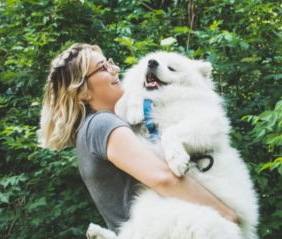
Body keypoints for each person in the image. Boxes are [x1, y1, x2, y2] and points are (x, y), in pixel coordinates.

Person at [38, 43, 239, 235]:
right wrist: (228, 215)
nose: (115, 69)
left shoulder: (96, 127)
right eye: (103, 68)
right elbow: (164, 179)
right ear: (82, 91)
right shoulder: (102, 124)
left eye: (110, 62)